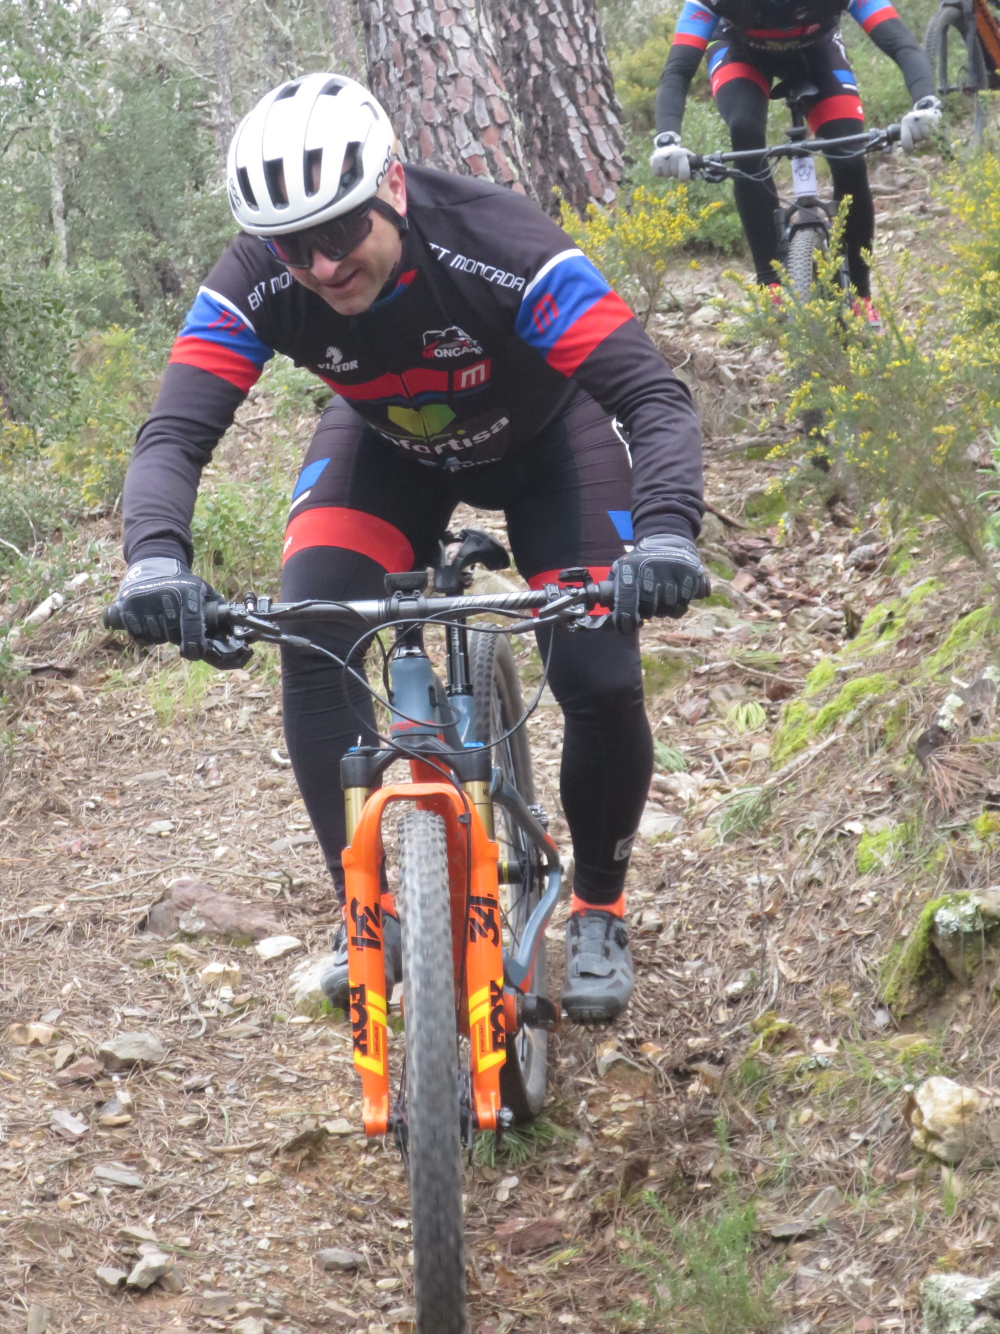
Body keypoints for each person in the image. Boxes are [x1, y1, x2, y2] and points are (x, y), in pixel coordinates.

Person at [111, 73, 710, 1024]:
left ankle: (599, 906)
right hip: (391, 450)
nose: (319, 265)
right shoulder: (257, 279)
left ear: (391, 186)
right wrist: (154, 560)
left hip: (553, 447)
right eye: (292, 245)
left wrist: (669, 532)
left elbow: (653, 398)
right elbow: (174, 434)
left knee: (597, 673)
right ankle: (369, 914)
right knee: (314, 631)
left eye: (338, 232)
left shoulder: (497, 243)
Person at [651, 0, 941, 321]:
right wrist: (667, 140)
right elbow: (678, 69)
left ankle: (859, 295)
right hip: (740, 53)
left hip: (816, 51)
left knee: (849, 156)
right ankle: (770, 283)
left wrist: (924, 103)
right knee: (745, 131)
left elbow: (900, 42)